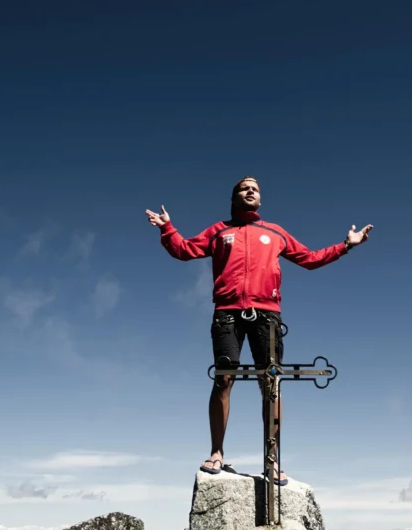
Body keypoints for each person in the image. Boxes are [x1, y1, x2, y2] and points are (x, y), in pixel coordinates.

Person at [146, 177, 373, 484]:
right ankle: (217, 452)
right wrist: (167, 229)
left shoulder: (275, 232)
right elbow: (184, 250)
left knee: (270, 383)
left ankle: (272, 459)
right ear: (234, 197)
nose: (251, 190)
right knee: (223, 379)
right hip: (227, 312)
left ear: (260, 200)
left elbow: (309, 259)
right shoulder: (219, 231)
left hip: (267, 314)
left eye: (256, 188)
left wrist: (346, 246)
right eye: (244, 187)